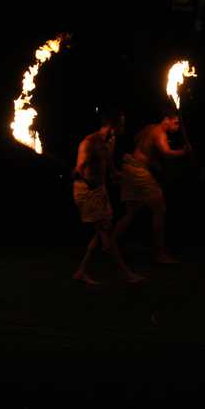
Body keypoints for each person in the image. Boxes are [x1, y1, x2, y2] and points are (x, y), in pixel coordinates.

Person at [72, 109, 145, 285]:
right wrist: (84, 178)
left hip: (100, 190)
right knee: (106, 235)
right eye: (122, 123)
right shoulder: (89, 142)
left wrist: (116, 174)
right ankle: (127, 274)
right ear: (113, 125)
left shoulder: (110, 141)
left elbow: (107, 162)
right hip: (86, 192)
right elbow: (78, 169)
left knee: (101, 233)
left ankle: (81, 271)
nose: (124, 127)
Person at [112, 109, 191, 264]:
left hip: (130, 168)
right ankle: (159, 253)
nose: (177, 127)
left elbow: (137, 139)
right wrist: (183, 152)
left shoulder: (150, 128)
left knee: (131, 212)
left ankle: (110, 244)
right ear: (166, 120)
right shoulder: (160, 133)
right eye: (176, 123)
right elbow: (166, 152)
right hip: (139, 172)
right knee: (159, 209)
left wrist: (151, 158)